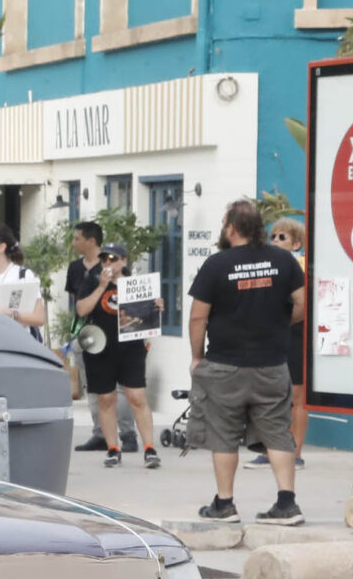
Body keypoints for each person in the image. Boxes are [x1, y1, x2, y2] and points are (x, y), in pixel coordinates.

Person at [188, 199, 307, 525]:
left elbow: (198, 317)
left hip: (225, 365)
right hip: (271, 365)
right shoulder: (284, 260)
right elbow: (303, 303)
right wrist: (282, 323)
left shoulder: (216, 264)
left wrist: (197, 357)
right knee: (279, 433)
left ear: (231, 228)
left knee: (224, 435)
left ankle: (224, 504)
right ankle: (286, 504)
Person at [63, 226, 159, 470]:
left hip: (130, 347)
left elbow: (146, 316)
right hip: (100, 346)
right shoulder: (91, 280)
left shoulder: (135, 283)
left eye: (114, 259)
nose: (108, 262)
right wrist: (101, 287)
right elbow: (82, 310)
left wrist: (156, 306)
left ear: (124, 261)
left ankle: (149, 448)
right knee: (105, 398)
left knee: (137, 396)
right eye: (105, 258)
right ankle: (113, 448)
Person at [267, 215, 312, 462]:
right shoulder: (271, 266)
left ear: (296, 243)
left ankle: (295, 451)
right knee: (276, 395)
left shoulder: (301, 266)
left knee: (296, 395)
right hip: (276, 335)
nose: (275, 241)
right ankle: (274, 448)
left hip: (297, 334)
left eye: (281, 237)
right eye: (273, 236)